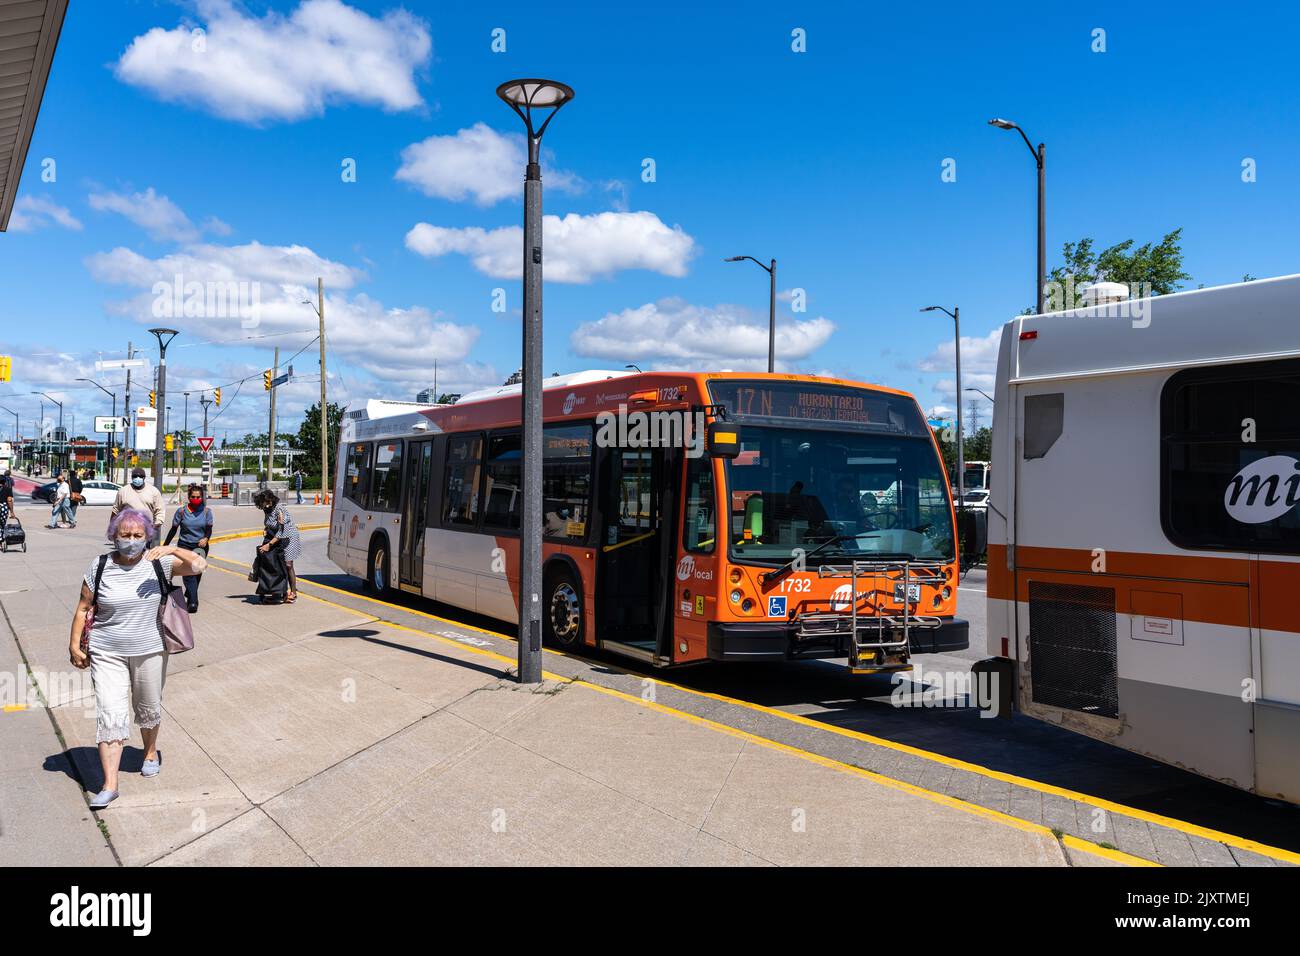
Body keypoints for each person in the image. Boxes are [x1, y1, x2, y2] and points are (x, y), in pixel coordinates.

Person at [67, 507, 205, 810]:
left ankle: (149, 752)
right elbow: (82, 606)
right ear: (114, 537)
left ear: (147, 537)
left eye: (137, 535)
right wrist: (75, 644)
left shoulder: (160, 564)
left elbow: (199, 565)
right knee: (109, 711)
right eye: (124, 535)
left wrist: (170, 547)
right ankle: (110, 785)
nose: (130, 540)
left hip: (151, 649)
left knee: (148, 705)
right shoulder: (99, 565)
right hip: (106, 652)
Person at [164, 484, 213, 613]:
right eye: (193, 497)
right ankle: (193, 601)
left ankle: (190, 593)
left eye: (198, 497)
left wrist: (206, 538)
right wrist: (165, 545)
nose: (196, 499)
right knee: (188, 573)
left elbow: (209, 529)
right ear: (189, 497)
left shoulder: (207, 511)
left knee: (197, 572)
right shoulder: (181, 511)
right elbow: (174, 529)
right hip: (184, 545)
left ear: (202, 497)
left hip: (200, 546)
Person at [253, 489, 301, 603]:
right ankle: (280, 591)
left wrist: (269, 545)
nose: (261, 505)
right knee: (278, 564)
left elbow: (282, 531)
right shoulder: (267, 509)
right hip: (276, 537)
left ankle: (293, 592)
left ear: (268, 500)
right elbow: (269, 523)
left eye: (262, 502)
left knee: (288, 564)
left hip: (289, 538)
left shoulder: (280, 510)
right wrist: (266, 529)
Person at [112, 467, 165, 534]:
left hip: (145, 531)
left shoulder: (153, 491)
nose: (137, 478)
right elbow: (115, 510)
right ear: (132, 478)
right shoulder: (123, 491)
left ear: (144, 478)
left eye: (140, 476)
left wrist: (154, 526)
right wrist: (113, 529)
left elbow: (160, 511)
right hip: (126, 530)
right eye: (135, 476)